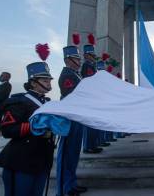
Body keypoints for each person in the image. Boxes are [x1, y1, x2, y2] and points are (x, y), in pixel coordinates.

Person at [0, 62, 54, 196]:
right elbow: (7, 130)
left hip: (41, 159)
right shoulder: (20, 101)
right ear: (33, 83)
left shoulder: (47, 102)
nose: (48, 83)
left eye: (49, 80)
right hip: (22, 161)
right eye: (44, 80)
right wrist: (33, 126)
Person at [56, 46, 86, 196]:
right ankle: (63, 188)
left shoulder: (76, 74)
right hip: (70, 116)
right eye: (77, 59)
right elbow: (72, 96)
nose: (79, 61)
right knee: (67, 153)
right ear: (68, 60)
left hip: (77, 115)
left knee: (74, 153)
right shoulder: (67, 75)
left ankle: (71, 183)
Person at [81, 44, 103, 154]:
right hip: (89, 98)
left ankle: (93, 145)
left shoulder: (92, 66)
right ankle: (87, 146)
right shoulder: (86, 66)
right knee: (89, 124)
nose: (93, 57)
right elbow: (89, 81)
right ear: (85, 55)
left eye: (93, 55)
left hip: (94, 97)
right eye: (90, 55)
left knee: (94, 124)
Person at [0, 72, 12, 141]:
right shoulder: (0, 85)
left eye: (2, 75)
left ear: (7, 77)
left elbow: (1, 97)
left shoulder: (7, 85)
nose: (0, 76)